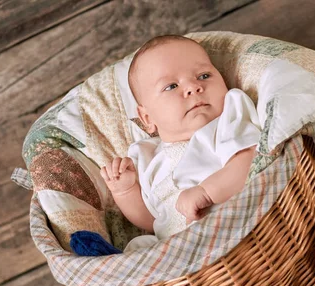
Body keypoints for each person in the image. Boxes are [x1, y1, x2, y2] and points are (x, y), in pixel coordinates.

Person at [100, 35, 261, 248]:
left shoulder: (226, 122)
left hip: (229, 234)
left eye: (204, 75)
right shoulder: (148, 158)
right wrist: (125, 191)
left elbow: (251, 161)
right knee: (138, 246)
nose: (193, 87)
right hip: (174, 255)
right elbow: (152, 221)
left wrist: (206, 192)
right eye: (171, 86)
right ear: (147, 118)